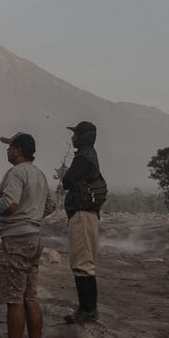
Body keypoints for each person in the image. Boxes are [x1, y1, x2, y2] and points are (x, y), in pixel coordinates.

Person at [0, 132, 55, 338]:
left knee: (14, 299)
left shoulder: (16, 173)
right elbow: (51, 205)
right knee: (30, 297)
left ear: (17, 150)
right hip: (34, 237)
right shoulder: (39, 174)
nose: (6, 151)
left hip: (16, 239)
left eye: (9, 147)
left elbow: (10, 204)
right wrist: (32, 217)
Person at [61, 121, 105, 323]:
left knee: (82, 263)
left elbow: (68, 181)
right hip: (87, 214)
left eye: (76, 134)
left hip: (82, 214)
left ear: (83, 136)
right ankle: (87, 309)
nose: (72, 138)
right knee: (84, 261)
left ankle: (87, 310)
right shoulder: (90, 155)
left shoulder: (83, 157)